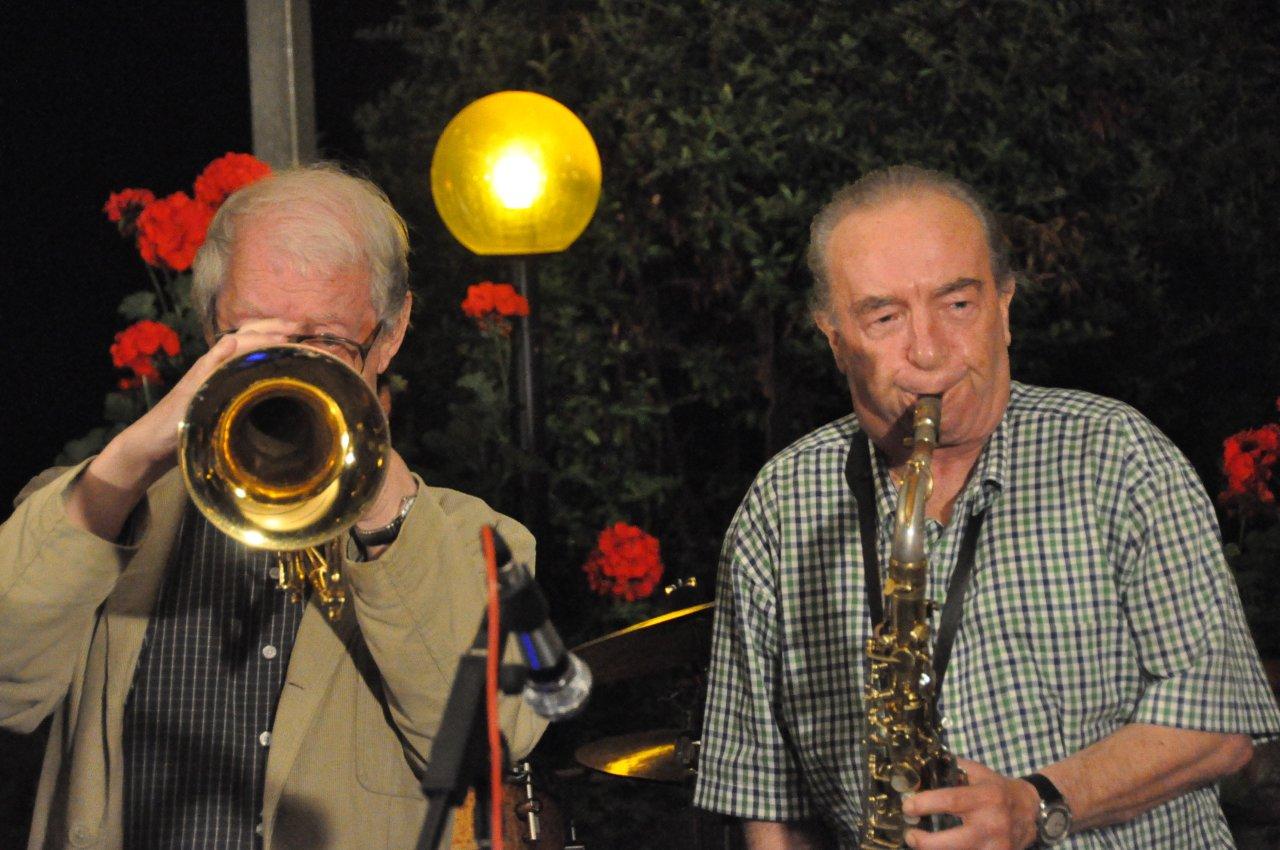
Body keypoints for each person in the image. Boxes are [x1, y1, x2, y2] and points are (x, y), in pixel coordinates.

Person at [694, 164, 1280, 849]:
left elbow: (1220, 727)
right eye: (884, 317)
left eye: (958, 304)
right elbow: (766, 800)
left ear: (1004, 306)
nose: (928, 349)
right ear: (835, 339)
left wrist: (1038, 804)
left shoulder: (1117, 456)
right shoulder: (780, 505)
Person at [0, 165, 546, 850]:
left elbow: (490, 740)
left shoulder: (480, 543)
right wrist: (129, 462)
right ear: (209, 325)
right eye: (254, 333)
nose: (288, 366)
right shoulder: (104, 513)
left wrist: (375, 489)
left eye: (324, 341)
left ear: (391, 332)